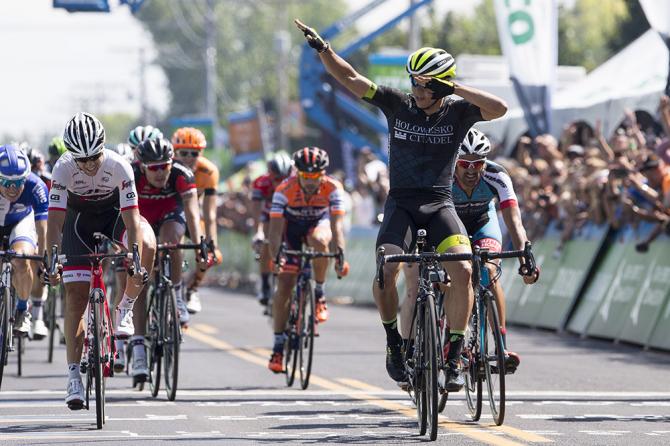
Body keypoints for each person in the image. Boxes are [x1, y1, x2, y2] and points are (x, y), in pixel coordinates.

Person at [295, 20, 509, 389]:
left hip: (440, 205)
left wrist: (454, 88)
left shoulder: (459, 112)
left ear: (441, 85)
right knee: (386, 269)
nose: (416, 88)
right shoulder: (397, 104)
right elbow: (350, 78)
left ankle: (454, 355)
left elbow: (500, 108)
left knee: (463, 272)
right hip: (402, 205)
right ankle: (395, 341)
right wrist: (323, 49)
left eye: (423, 84)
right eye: (413, 80)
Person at [403, 129, 539, 376]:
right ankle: (451, 333)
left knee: (489, 271)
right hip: (447, 227)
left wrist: (524, 257)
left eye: (478, 163)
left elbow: (514, 222)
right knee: (453, 275)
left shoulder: (497, 175)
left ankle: (500, 346)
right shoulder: (440, 176)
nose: (471, 169)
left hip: (482, 223)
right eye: (465, 163)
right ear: (454, 161)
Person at [46, 112, 156, 410]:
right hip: (77, 223)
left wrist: (133, 257)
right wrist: (52, 259)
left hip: (113, 217)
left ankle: (125, 309)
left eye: (94, 156)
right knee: (75, 297)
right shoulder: (62, 168)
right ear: (71, 156)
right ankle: (72, 377)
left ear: (103, 147)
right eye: (82, 160)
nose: (90, 165)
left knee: (147, 241)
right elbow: (54, 222)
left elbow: (132, 220)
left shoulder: (118, 166)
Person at [267, 147, 347, 373]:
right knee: (284, 285)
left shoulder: (333, 187)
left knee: (320, 242)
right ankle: (278, 346)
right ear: (297, 173)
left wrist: (340, 254)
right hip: (290, 230)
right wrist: (276, 257)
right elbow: (274, 232)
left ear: (324, 173)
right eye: (305, 176)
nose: (311, 181)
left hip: (317, 225)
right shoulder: (284, 189)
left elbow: (337, 227)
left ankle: (319, 293)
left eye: (316, 176)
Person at [171, 127, 222, 314]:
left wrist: (212, 243)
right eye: (183, 152)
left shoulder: (208, 171)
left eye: (195, 153)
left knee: (208, 256)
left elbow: (210, 213)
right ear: (174, 152)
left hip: (193, 215)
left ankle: (192, 288)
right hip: (169, 214)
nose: (189, 157)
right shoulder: (168, 168)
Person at [0, 145, 49, 338]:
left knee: (21, 260)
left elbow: (42, 228)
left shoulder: (36, 186)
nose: (13, 189)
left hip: (21, 221)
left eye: (19, 182)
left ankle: (22, 309)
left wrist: (42, 260)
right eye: (6, 182)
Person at [250, 152, 293, 306]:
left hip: (290, 214)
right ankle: (265, 284)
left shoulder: (296, 182)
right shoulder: (261, 183)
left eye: (284, 179)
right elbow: (256, 210)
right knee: (267, 243)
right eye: (277, 179)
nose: (281, 183)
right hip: (268, 214)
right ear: (270, 175)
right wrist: (258, 232)